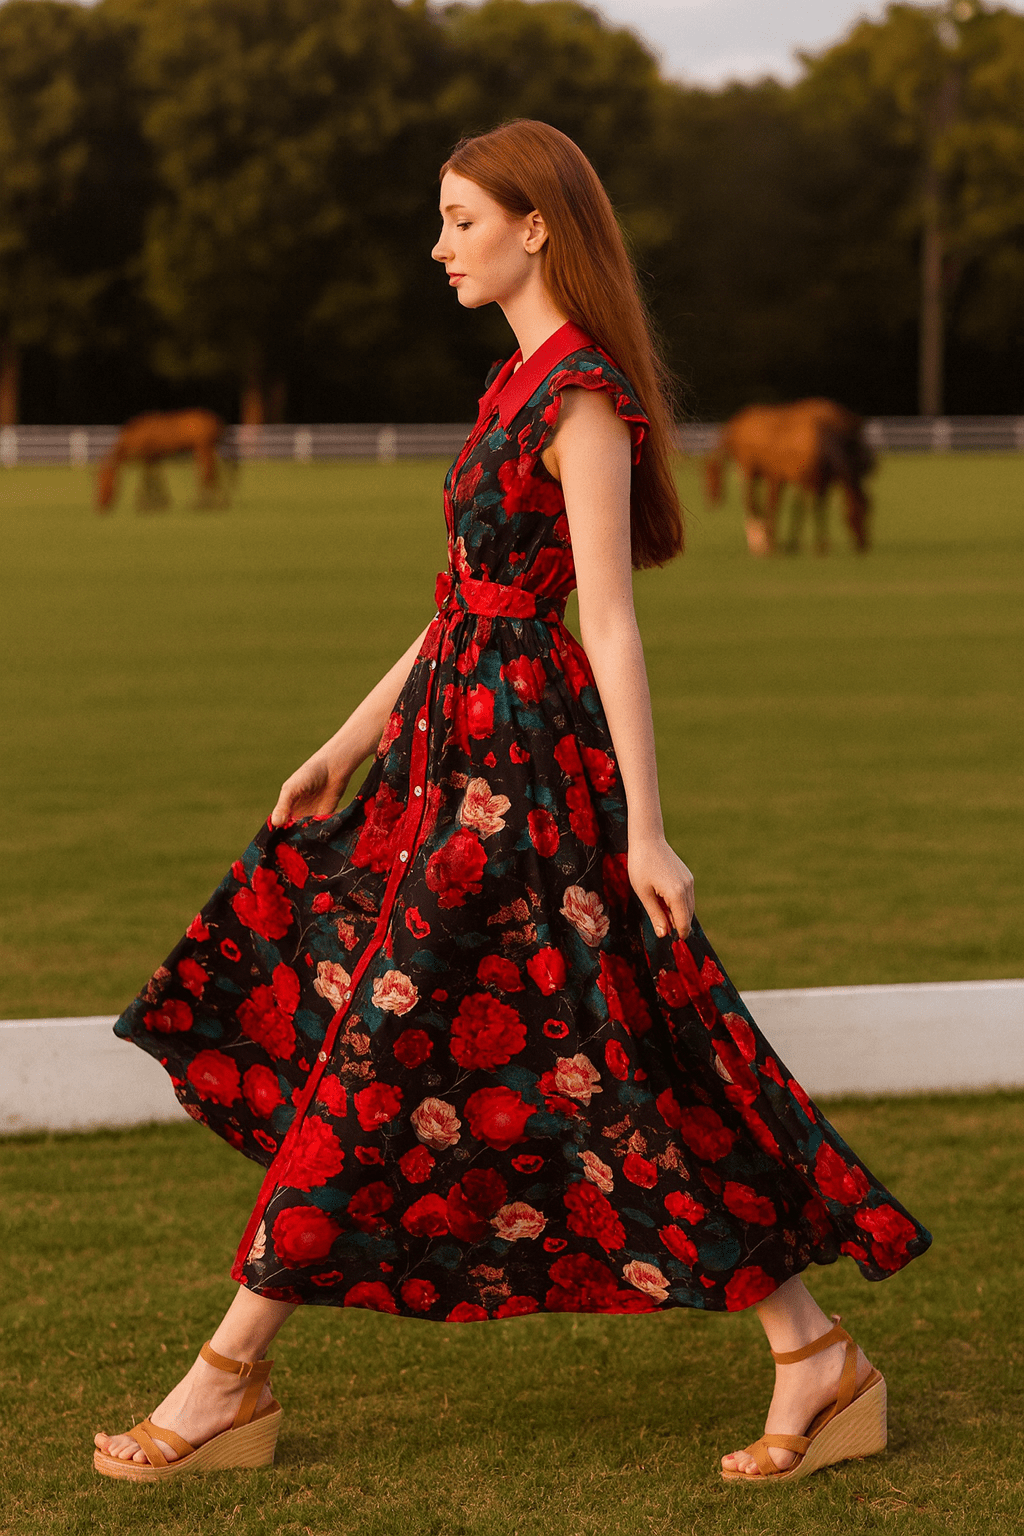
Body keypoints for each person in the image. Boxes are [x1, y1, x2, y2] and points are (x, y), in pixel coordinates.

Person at [94, 119, 930, 1486]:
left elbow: (607, 620)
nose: (439, 245)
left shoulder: (582, 398)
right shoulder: (511, 387)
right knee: (610, 1067)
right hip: (446, 769)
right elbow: (463, 602)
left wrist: (648, 829)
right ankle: (815, 1355)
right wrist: (350, 741)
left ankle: (226, 1379)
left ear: (539, 225)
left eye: (461, 219)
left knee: (389, 1049)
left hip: (528, 789)